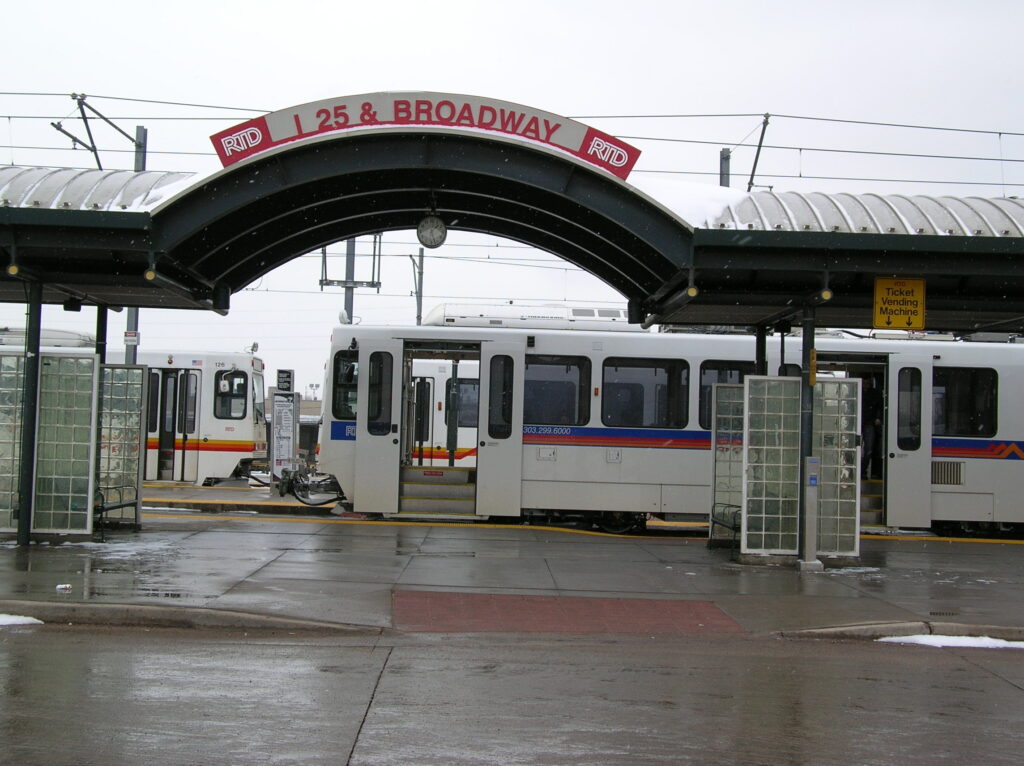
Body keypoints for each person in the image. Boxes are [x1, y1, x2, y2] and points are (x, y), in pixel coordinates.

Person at [861, 376, 883, 479]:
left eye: (867, 382)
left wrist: (878, 418)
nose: (865, 384)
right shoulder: (857, 391)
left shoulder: (875, 394)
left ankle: (862, 471)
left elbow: (880, 407)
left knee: (869, 450)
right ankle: (860, 471)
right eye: (864, 382)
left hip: (869, 424)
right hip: (860, 423)